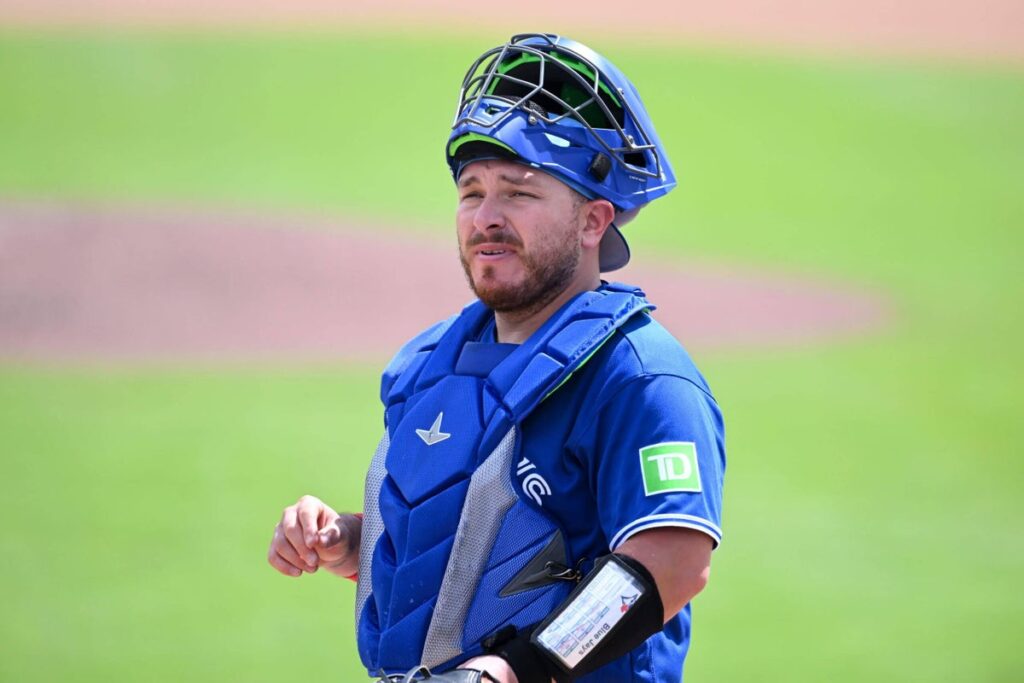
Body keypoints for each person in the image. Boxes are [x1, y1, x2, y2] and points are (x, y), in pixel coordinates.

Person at [268, 33, 726, 683]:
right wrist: (348, 538)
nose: (486, 215)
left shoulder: (641, 378)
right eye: (471, 190)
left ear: (595, 221)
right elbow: (467, 538)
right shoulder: (431, 361)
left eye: (519, 192)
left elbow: (672, 564)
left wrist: (513, 671)